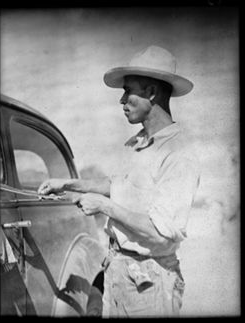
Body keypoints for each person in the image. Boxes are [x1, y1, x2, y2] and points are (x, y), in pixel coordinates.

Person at [38, 45, 200, 317]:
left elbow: (159, 232)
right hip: (119, 270)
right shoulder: (136, 143)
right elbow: (117, 185)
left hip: (150, 282)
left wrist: (103, 205)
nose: (121, 100)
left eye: (128, 91)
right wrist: (66, 183)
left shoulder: (179, 152)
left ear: (151, 93)